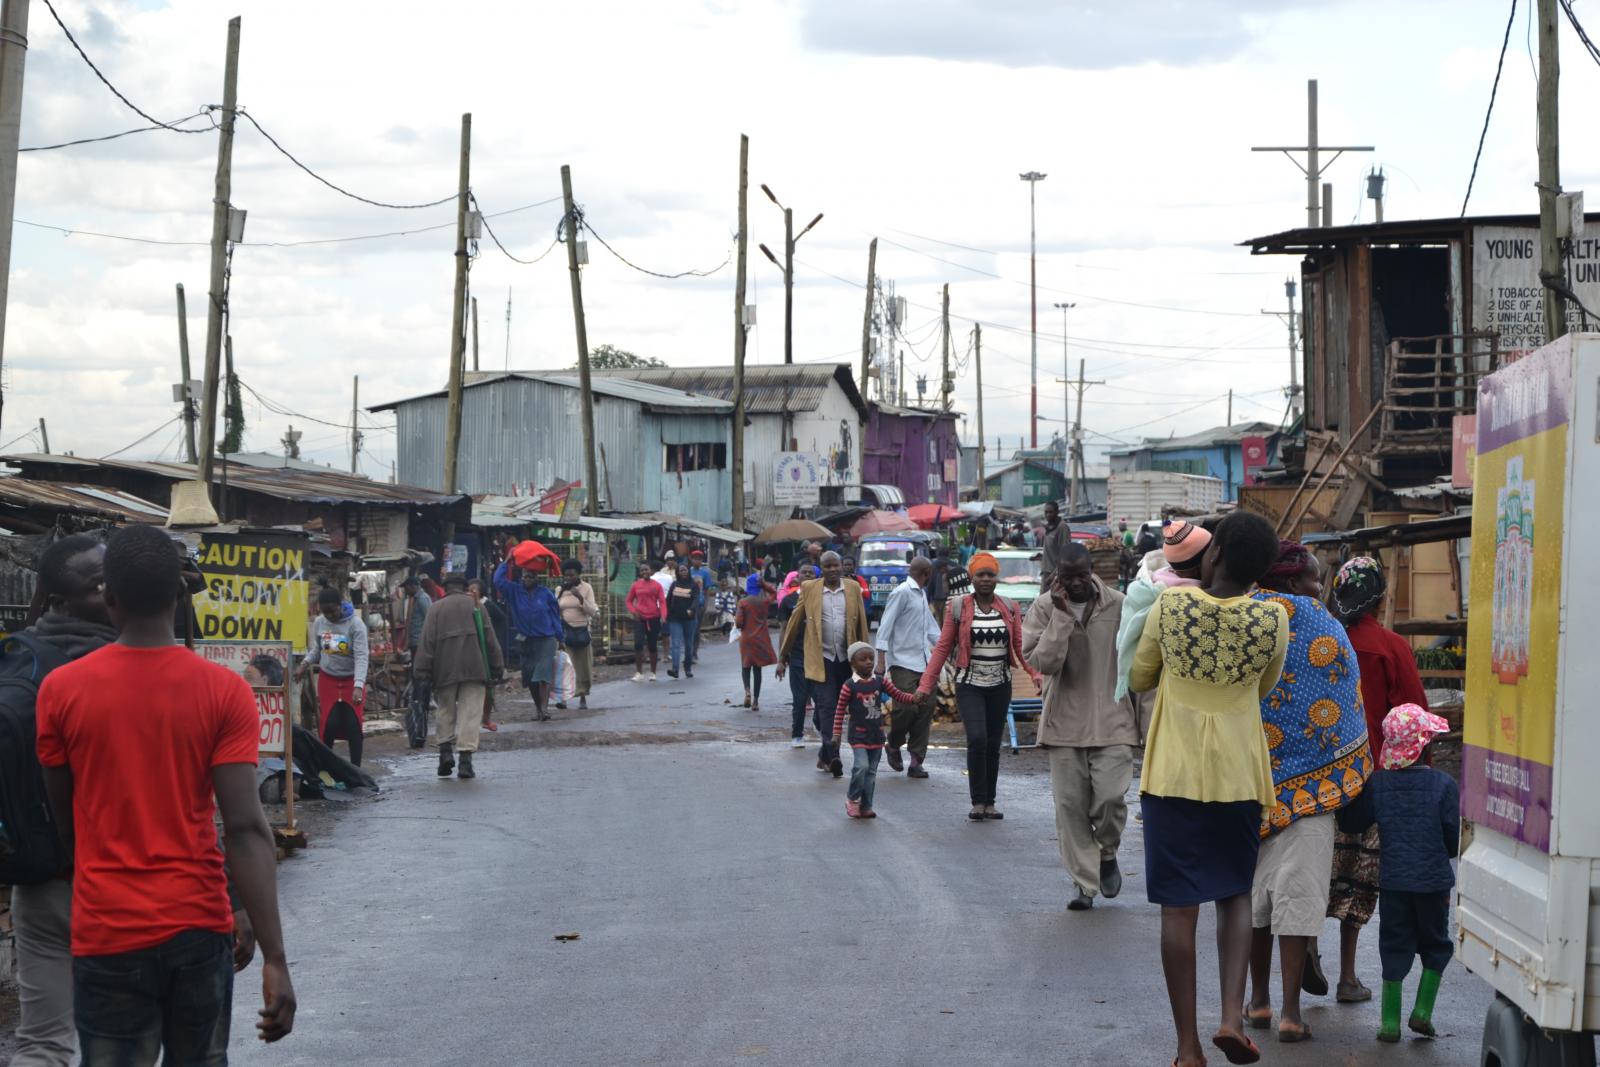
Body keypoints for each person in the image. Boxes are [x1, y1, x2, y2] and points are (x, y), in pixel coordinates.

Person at [37, 525, 296, 1060]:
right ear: (180, 596)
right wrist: (274, 955)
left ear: (109, 595)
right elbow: (246, 828)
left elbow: (66, 825)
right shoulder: (224, 691)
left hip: (106, 931)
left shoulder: (60, 691)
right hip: (197, 927)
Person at [1128, 509, 1289, 1067]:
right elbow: (1263, 687)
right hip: (1239, 775)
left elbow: (1138, 676)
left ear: (1213, 553)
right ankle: (1230, 1019)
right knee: (1235, 894)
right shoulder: (1273, 620)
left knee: (1179, 909)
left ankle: (1187, 1047)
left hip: (1173, 772)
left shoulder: (1170, 607)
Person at [1244, 542, 1373, 1043]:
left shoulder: (1244, 618)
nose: (1320, 589)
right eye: (1316, 580)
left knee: (1252, 902)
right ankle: (1292, 1013)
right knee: (1298, 903)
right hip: (1315, 794)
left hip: (1248, 785)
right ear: (1295, 582)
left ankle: (1257, 1002)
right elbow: (1345, 699)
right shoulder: (1325, 626)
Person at [1324, 554, 1430, 1005]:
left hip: (1320, 778)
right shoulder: (1391, 647)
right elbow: (1414, 717)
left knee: (1318, 873)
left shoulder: (1322, 642)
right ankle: (1348, 977)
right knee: (1361, 881)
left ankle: (1306, 951)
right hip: (1377, 780)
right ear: (1381, 596)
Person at [1022, 544, 1135, 911]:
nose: (1075, 583)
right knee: (1069, 807)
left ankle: (1106, 853)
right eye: (1067, 577)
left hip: (1113, 719)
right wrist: (1061, 617)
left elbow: (1140, 663)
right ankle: (1084, 885)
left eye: (1081, 575)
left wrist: (1147, 724)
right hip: (1064, 723)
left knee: (1110, 800)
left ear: (1091, 570)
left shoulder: (1119, 604)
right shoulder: (1043, 608)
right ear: (1056, 576)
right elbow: (1044, 662)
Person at [1336, 704, 1458, 1044]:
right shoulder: (1444, 786)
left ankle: (1389, 1024)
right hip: (1433, 883)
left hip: (1394, 884)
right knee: (1436, 945)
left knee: (1394, 945)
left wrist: (1348, 789)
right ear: (1424, 746)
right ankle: (1422, 1013)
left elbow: (1352, 823)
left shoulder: (1378, 785)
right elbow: (1453, 839)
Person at [919, 551, 1041, 821]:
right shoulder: (958, 607)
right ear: (972, 578)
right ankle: (977, 801)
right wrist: (927, 684)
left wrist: (1033, 672)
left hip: (1000, 684)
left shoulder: (1010, 607)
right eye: (980, 575)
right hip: (969, 684)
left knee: (993, 744)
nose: (986, 579)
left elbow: (1019, 648)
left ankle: (989, 802)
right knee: (977, 738)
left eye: (990, 574)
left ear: (996, 578)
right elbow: (942, 648)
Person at [778, 551, 868, 777]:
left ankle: (824, 756)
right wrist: (783, 655)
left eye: (835, 565)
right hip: (822, 658)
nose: (832, 570)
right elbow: (794, 622)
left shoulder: (853, 588)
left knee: (837, 707)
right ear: (822, 568)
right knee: (827, 706)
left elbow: (861, 625)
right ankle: (833, 753)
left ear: (841, 566)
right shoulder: (810, 589)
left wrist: (866, 658)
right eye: (827, 566)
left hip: (846, 659)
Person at [415, 572, 504, 779]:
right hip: (475, 668)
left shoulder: (436, 608)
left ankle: (445, 752)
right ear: (465, 587)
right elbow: (490, 639)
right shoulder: (476, 606)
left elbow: (426, 642)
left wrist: (422, 670)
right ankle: (465, 761)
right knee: (470, 714)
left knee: (445, 710)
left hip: (444, 669)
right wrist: (498, 666)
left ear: (445, 588)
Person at [1116, 520, 1208, 702]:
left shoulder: (1150, 581)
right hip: (1174, 695)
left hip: (1155, 690)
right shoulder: (1182, 601)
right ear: (1199, 564)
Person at [832, 642, 919, 818]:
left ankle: (866, 806)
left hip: (877, 736)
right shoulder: (849, 686)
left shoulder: (880, 682)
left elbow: (898, 694)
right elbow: (840, 710)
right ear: (853, 664)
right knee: (861, 766)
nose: (869, 662)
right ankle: (852, 798)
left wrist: (914, 698)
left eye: (871, 658)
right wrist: (836, 734)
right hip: (858, 736)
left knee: (871, 773)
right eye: (863, 659)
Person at [875, 556, 941, 779]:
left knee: (926, 707)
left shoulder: (921, 595)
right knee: (906, 707)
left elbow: (932, 630)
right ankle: (893, 744)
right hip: (902, 661)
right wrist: (881, 660)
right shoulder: (901, 592)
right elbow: (885, 626)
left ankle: (916, 760)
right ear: (927, 574)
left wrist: (945, 648)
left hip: (924, 662)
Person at [298, 585, 370, 766]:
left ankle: (356, 769)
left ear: (340, 605)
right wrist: (305, 664)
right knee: (329, 724)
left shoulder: (356, 624)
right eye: (325, 612)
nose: (329, 615)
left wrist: (358, 686)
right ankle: (326, 768)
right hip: (328, 680)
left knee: (353, 725)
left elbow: (362, 656)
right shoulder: (320, 623)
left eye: (332, 611)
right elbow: (317, 649)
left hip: (351, 681)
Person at [493, 557, 563, 721]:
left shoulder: (546, 594)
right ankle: (538, 708)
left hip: (546, 639)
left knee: (543, 674)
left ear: (536, 578)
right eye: (524, 576)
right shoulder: (515, 592)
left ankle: (545, 709)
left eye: (530, 576)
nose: (526, 579)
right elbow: (498, 580)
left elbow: (555, 616)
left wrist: (561, 637)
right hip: (526, 640)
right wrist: (506, 562)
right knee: (530, 677)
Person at [777, 564, 816, 748]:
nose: (807, 574)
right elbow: (784, 630)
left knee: (823, 699)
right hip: (798, 657)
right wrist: (781, 659)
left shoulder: (822, 599)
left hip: (819, 657)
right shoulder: (788, 601)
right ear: (797, 576)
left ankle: (821, 726)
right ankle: (797, 734)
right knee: (799, 699)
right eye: (804, 572)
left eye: (811, 572)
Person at [557, 559, 599, 711]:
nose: (569, 578)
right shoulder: (560, 589)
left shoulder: (586, 588)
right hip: (565, 633)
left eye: (572, 575)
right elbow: (556, 609)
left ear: (578, 574)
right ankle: (563, 699)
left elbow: (593, 611)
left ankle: (582, 696)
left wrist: (580, 598)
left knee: (582, 666)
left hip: (581, 632)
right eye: (566, 575)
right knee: (565, 666)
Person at [467, 579, 506, 731]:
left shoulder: (487, 606)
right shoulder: (466, 607)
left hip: (486, 650)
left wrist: (494, 635)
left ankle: (486, 718)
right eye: (469, 590)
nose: (472, 593)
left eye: (474, 591)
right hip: (472, 650)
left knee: (489, 686)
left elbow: (502, 619)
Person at [400, 575, 433, 748]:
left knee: (420, 675)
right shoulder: (415, 599)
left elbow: (429, 618)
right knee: (416, 675)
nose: (405, 590)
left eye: (407, 587)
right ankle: (419, 701)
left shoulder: (422, 599)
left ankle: (423, 702)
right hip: (415, 643)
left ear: (413, 586)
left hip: (421, 642)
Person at [734, 584, 775, 711]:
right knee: (757, 669)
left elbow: (739, 622)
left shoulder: (743, 602)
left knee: (745, 666)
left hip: (746, 638)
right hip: (760, 638)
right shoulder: (764, 602)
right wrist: (765, 585)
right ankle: (756, 701)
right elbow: (774, 593)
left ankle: (747, 690)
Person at [625, 562, 666, 682]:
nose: (644, 572)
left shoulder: (657, 585)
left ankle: (653, 672)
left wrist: (663, 616)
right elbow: (628, 601)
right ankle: (639, 672)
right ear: (640, 572)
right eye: (642, 570)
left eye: (646, 570)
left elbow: (662, 602)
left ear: (651, 571)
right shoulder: (636, 585)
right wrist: (633, 611)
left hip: (653, 618)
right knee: (638, 644)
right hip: (639, 619)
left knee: (652, 645)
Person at [665, 562, 700, 680]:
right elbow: (668, 600)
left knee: (688, 645)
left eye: (685, 570)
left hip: (689, 619)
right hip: (675, 619)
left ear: (688, 571)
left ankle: (687, 668)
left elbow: (696, 599)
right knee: (675, 644)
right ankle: (675, 669)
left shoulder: (694, 585)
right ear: (677, 573)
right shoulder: (674, 584)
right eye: (681, 570)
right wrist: (666, 613)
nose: (683, 572)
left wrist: (691, 609)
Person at [689, 550, 715, 667]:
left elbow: (706, 590)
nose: (697, 560)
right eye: (695, 558)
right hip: (688, 604)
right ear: (691, 559)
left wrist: (705, 604)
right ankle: (688, 652)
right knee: (688, 629)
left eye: (699, 559)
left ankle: (694, 652)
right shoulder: (687, 571)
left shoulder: (705, 573)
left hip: (699, 604)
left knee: (696, 629)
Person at [1038, 500, 1074, 579]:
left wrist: (1055, 574)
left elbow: (1065, 554)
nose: (1048, 515)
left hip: (1055, 575)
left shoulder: (1062, 527)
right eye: (1046, 512)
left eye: (1051, 512)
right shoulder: (1048, 527)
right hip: (1046, 572)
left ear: (1057, 512)